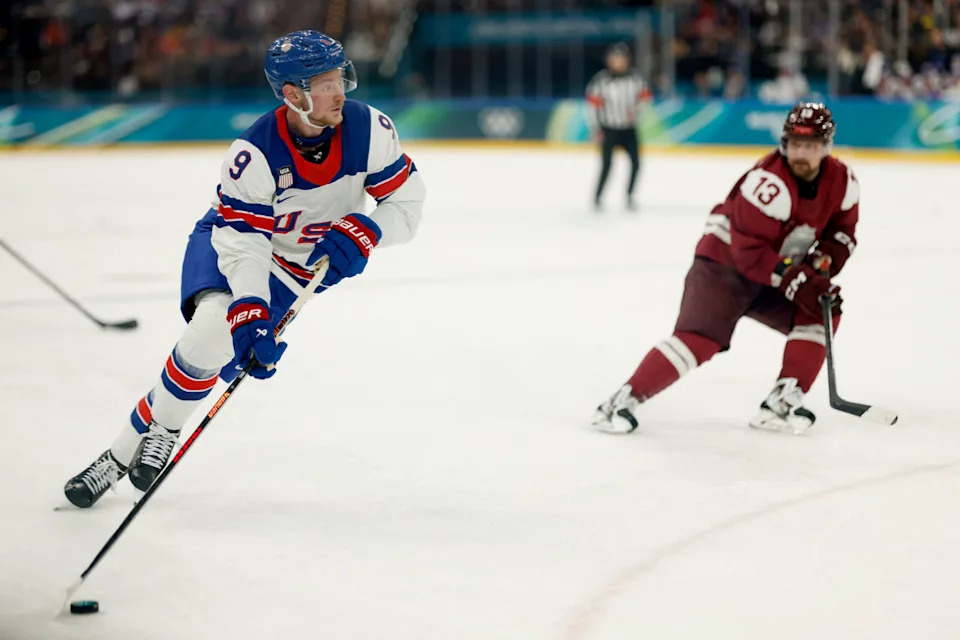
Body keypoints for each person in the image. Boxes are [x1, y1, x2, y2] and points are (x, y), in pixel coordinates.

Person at [63, 30, 426, 507]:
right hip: (229, 244)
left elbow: (407, 205)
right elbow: (245, 246)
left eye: (341, 77)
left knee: (208, 355)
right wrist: (251, 306)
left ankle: (115, 457)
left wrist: (369, 230)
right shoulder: (253, 152)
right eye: (325, 82)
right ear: (293, 95)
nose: (340, 92)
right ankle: (166, 428)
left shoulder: (372, 130)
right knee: (215, 328)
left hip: (298, 269)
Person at [593, 102, 857, 436]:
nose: (801, 154)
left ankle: (781, 403)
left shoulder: (843, 181)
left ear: (826, 147)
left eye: (811, 146)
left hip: (773, 268)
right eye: (796, 145)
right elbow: (748, 253)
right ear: (784, 143)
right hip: (724, 267)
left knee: (822, 309)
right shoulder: (767, 184)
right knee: (700, 339)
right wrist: (795, 279)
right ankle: (619, 402)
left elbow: (842, 233)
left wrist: (823, 263)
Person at [585, 42, 651, 212]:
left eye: (621, 58)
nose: (618, 62)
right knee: (607, 164)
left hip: (629, 129)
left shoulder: (636, 79)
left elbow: (645, 101)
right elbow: (592, 107)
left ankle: (629, 196)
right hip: (609, 129)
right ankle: (598, 197)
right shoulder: (600, 80)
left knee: (636, 163)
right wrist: (595, 128)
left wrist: (637, 114)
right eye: (615, 58)